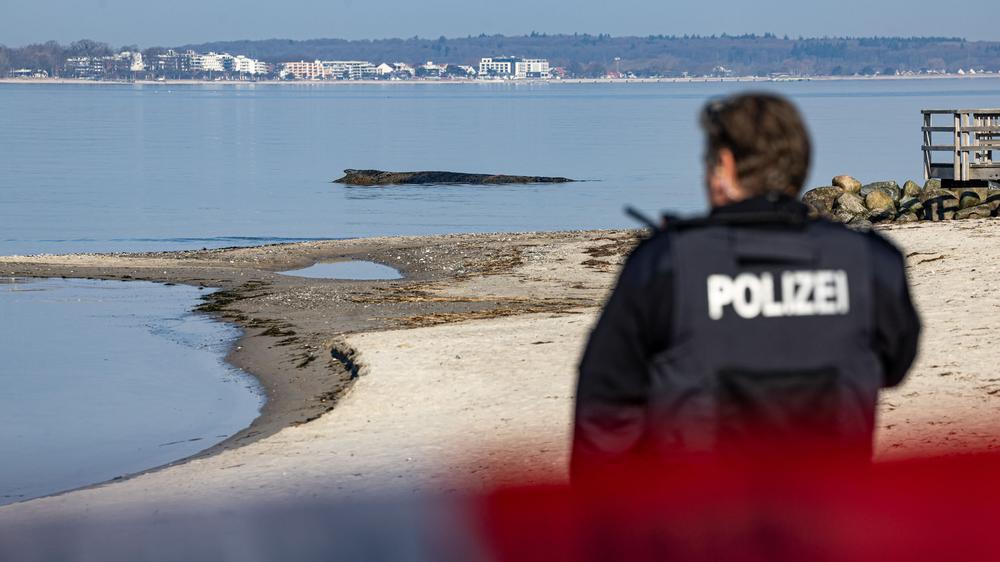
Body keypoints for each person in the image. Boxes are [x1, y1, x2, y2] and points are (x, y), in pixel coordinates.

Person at [571, 93, 920, 481]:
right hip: (833, 521)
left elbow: (602, 412)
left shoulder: (666, 267)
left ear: (724, 166)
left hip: (697, 527)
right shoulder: (870, 264)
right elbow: (896, 364)